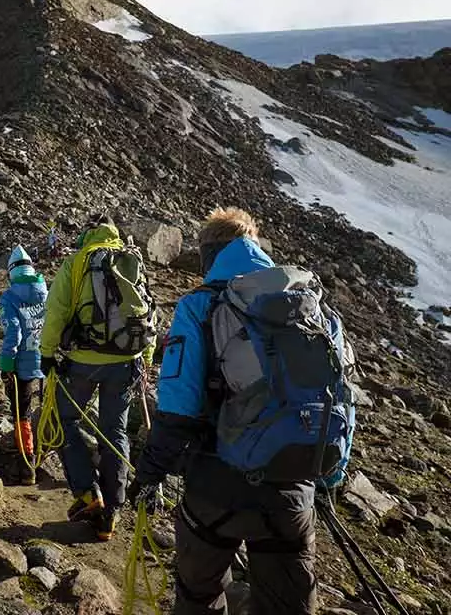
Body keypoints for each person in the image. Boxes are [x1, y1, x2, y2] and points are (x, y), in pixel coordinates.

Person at [129, 207, 355, 615]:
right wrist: (328, 477)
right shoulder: (310, 306)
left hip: (216, 484)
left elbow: (178, 407)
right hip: (292, 483)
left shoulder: (200, 307)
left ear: (209, 254)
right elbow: (340, 395)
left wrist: (149, 474)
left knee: (200, 595)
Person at [39, 215, 156, 540]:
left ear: (87, 235)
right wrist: (145, 358)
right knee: (114, 431)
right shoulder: (132, 260)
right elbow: (148, 311)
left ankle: (88, 493)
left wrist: (47, 354)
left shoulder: (78, 261)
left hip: (82, 359)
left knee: (63, 420)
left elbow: (57, 311)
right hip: (126, 360)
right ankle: (112, 512)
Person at [0, 245, 48, 486]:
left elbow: (14, 332)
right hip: (47, 360)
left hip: (21, 366)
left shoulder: (9, 297)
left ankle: (27, 466)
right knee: (51, 410)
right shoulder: (45, 293)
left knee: (22, 415)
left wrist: (6, 363)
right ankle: (48, 453)